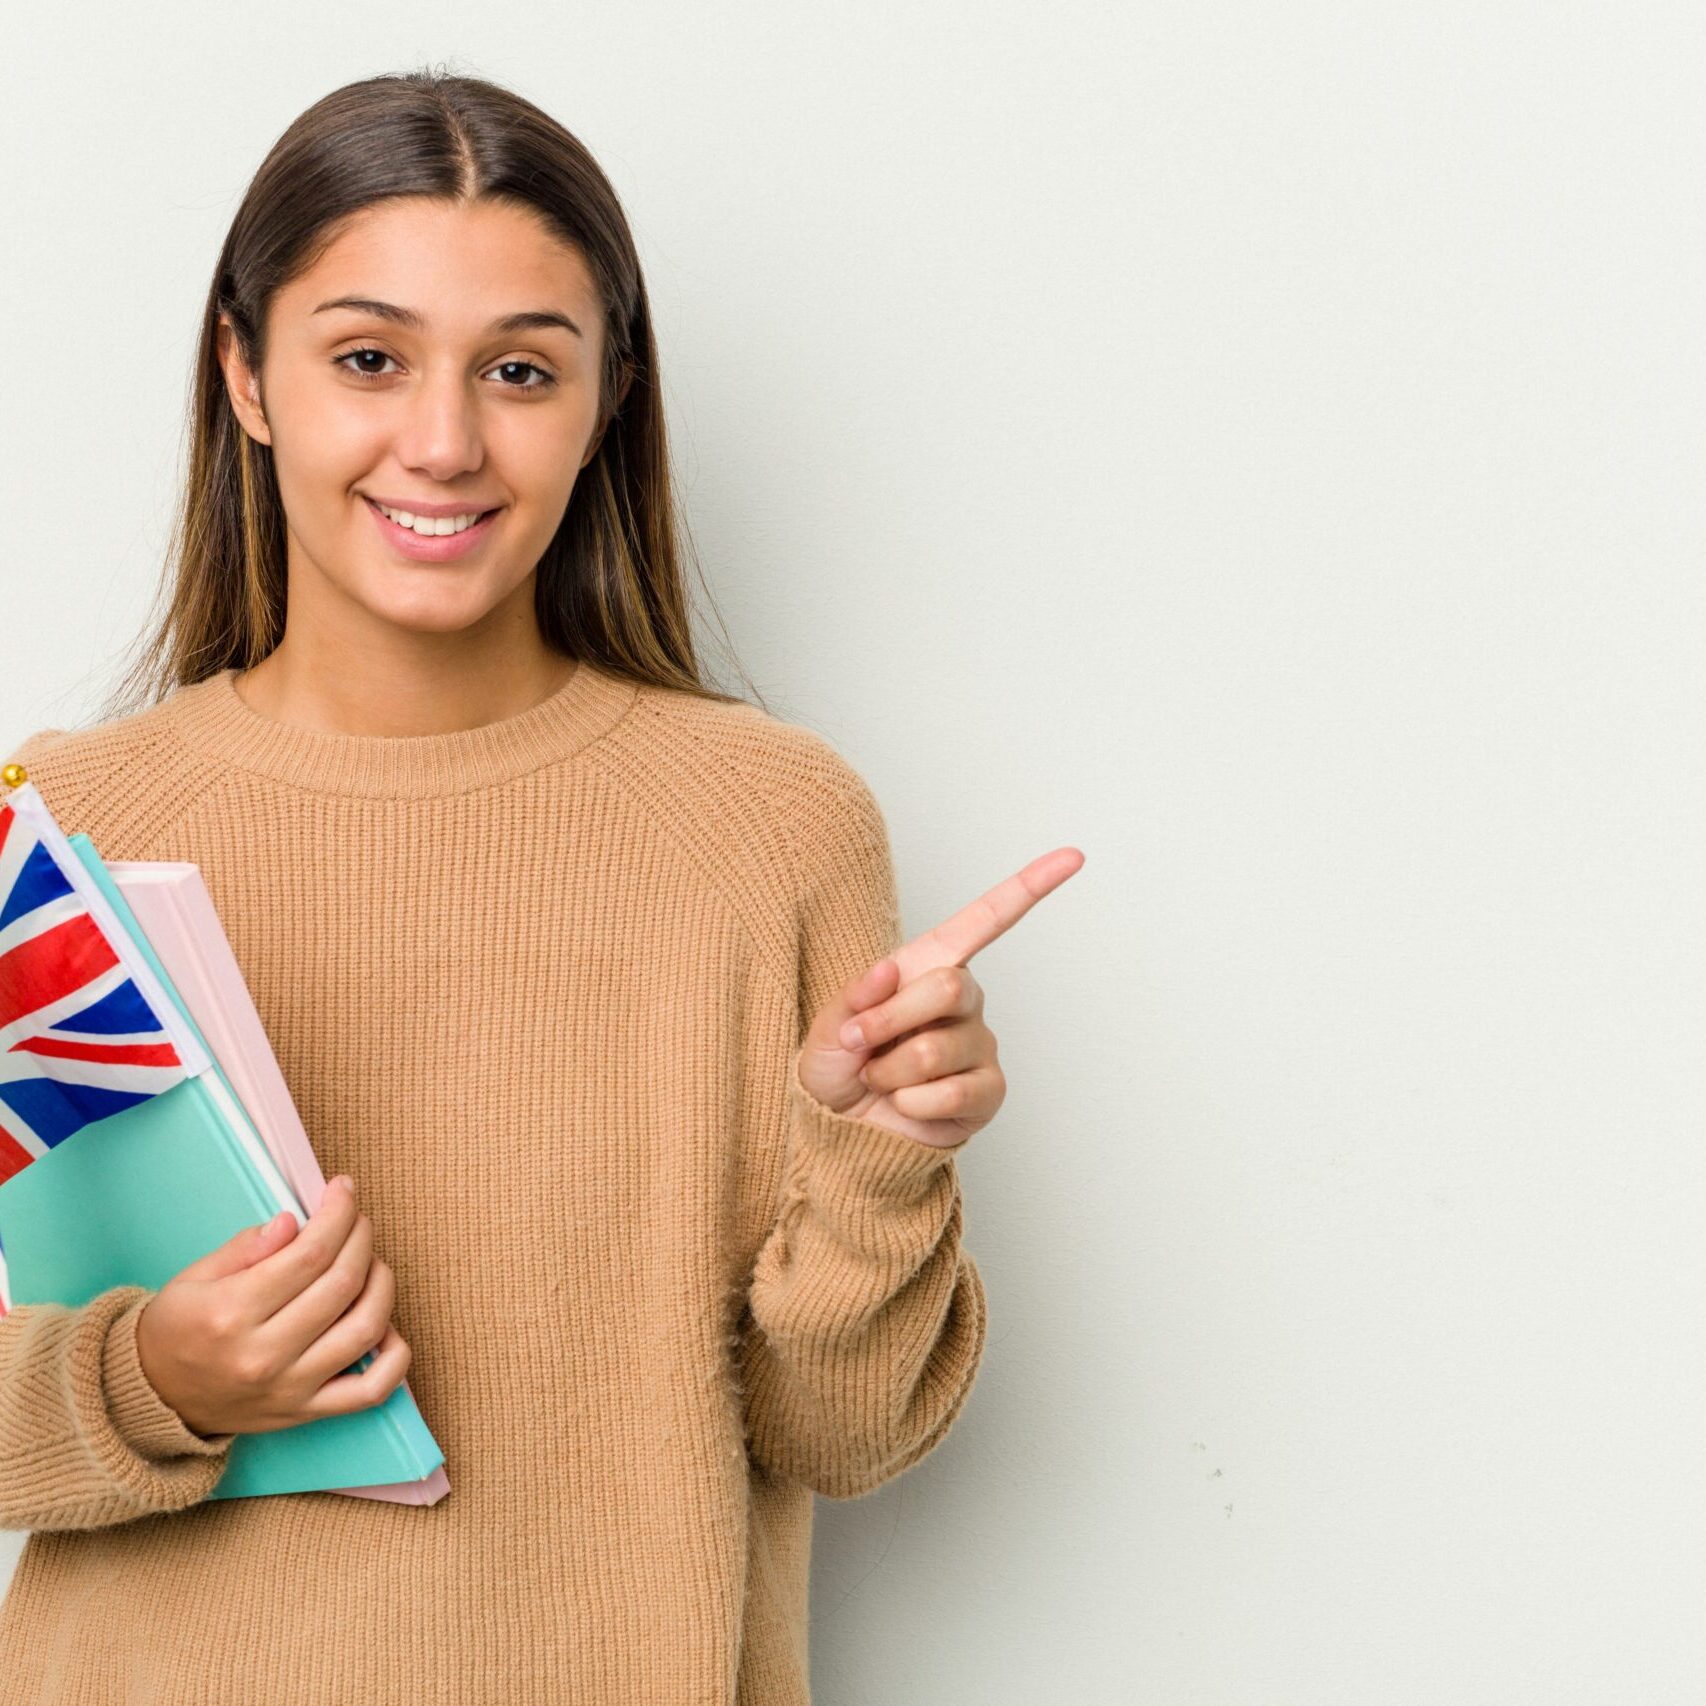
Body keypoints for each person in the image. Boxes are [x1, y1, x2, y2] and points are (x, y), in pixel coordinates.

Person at [0, 69, 1080, 1704]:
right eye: (369, 358)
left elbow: (844, 1438)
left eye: (519, 369)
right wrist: (151, 1375)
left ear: (606, 399)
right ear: (245, 374)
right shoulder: (62, 827)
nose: (444, 442)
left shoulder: (770, 827)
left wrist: (877, 1159)